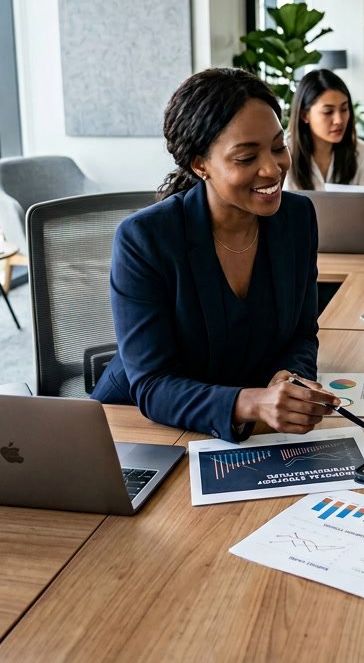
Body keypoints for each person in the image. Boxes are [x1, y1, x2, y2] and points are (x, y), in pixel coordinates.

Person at [91, 68, 339, 441]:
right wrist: (251, 403)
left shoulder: (297, 219)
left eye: (277, 146)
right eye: (245, 157)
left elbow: (302, 333)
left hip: (244, 431)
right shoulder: (145, 239)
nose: (272, 168)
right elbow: (154, 384)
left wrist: (288, 377)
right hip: (139, 428)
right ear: (199, 164)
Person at [285, 69, 364, 240]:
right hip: (298, 247)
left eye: (344, 109)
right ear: (305, 115)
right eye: (328, 112)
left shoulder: (360, 152)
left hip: (351, 248)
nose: (339, 120)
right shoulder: (285, 153)